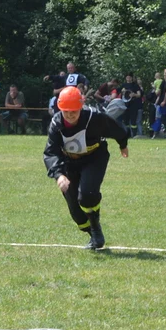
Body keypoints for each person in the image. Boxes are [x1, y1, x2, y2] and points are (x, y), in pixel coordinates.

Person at [43, 86, 129, 250]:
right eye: (66, 111)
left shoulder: (94, 117)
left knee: (87, 194)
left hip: (94, 158)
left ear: (80, 107)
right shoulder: (56, 124)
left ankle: (96, 228)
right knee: (77, 213)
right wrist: (59, 175)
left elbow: (115, 128)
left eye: (74, 111)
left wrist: (123, 145)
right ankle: (92, 234)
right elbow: (50, 152)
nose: (70, 115)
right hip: (69, 163)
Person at [121, 73, 144, 137]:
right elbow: (120, 94)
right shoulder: (123, 85)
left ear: (131, 78)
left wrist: (134, 94)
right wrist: (122, 91)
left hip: (133, 104)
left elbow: (139, 95)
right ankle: (127, 134)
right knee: (126, 121)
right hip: (125, 104)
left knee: (133, 121)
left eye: (129, 77)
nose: (128, 78)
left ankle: (134, 134)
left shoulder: (135, 85)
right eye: (127, 77)